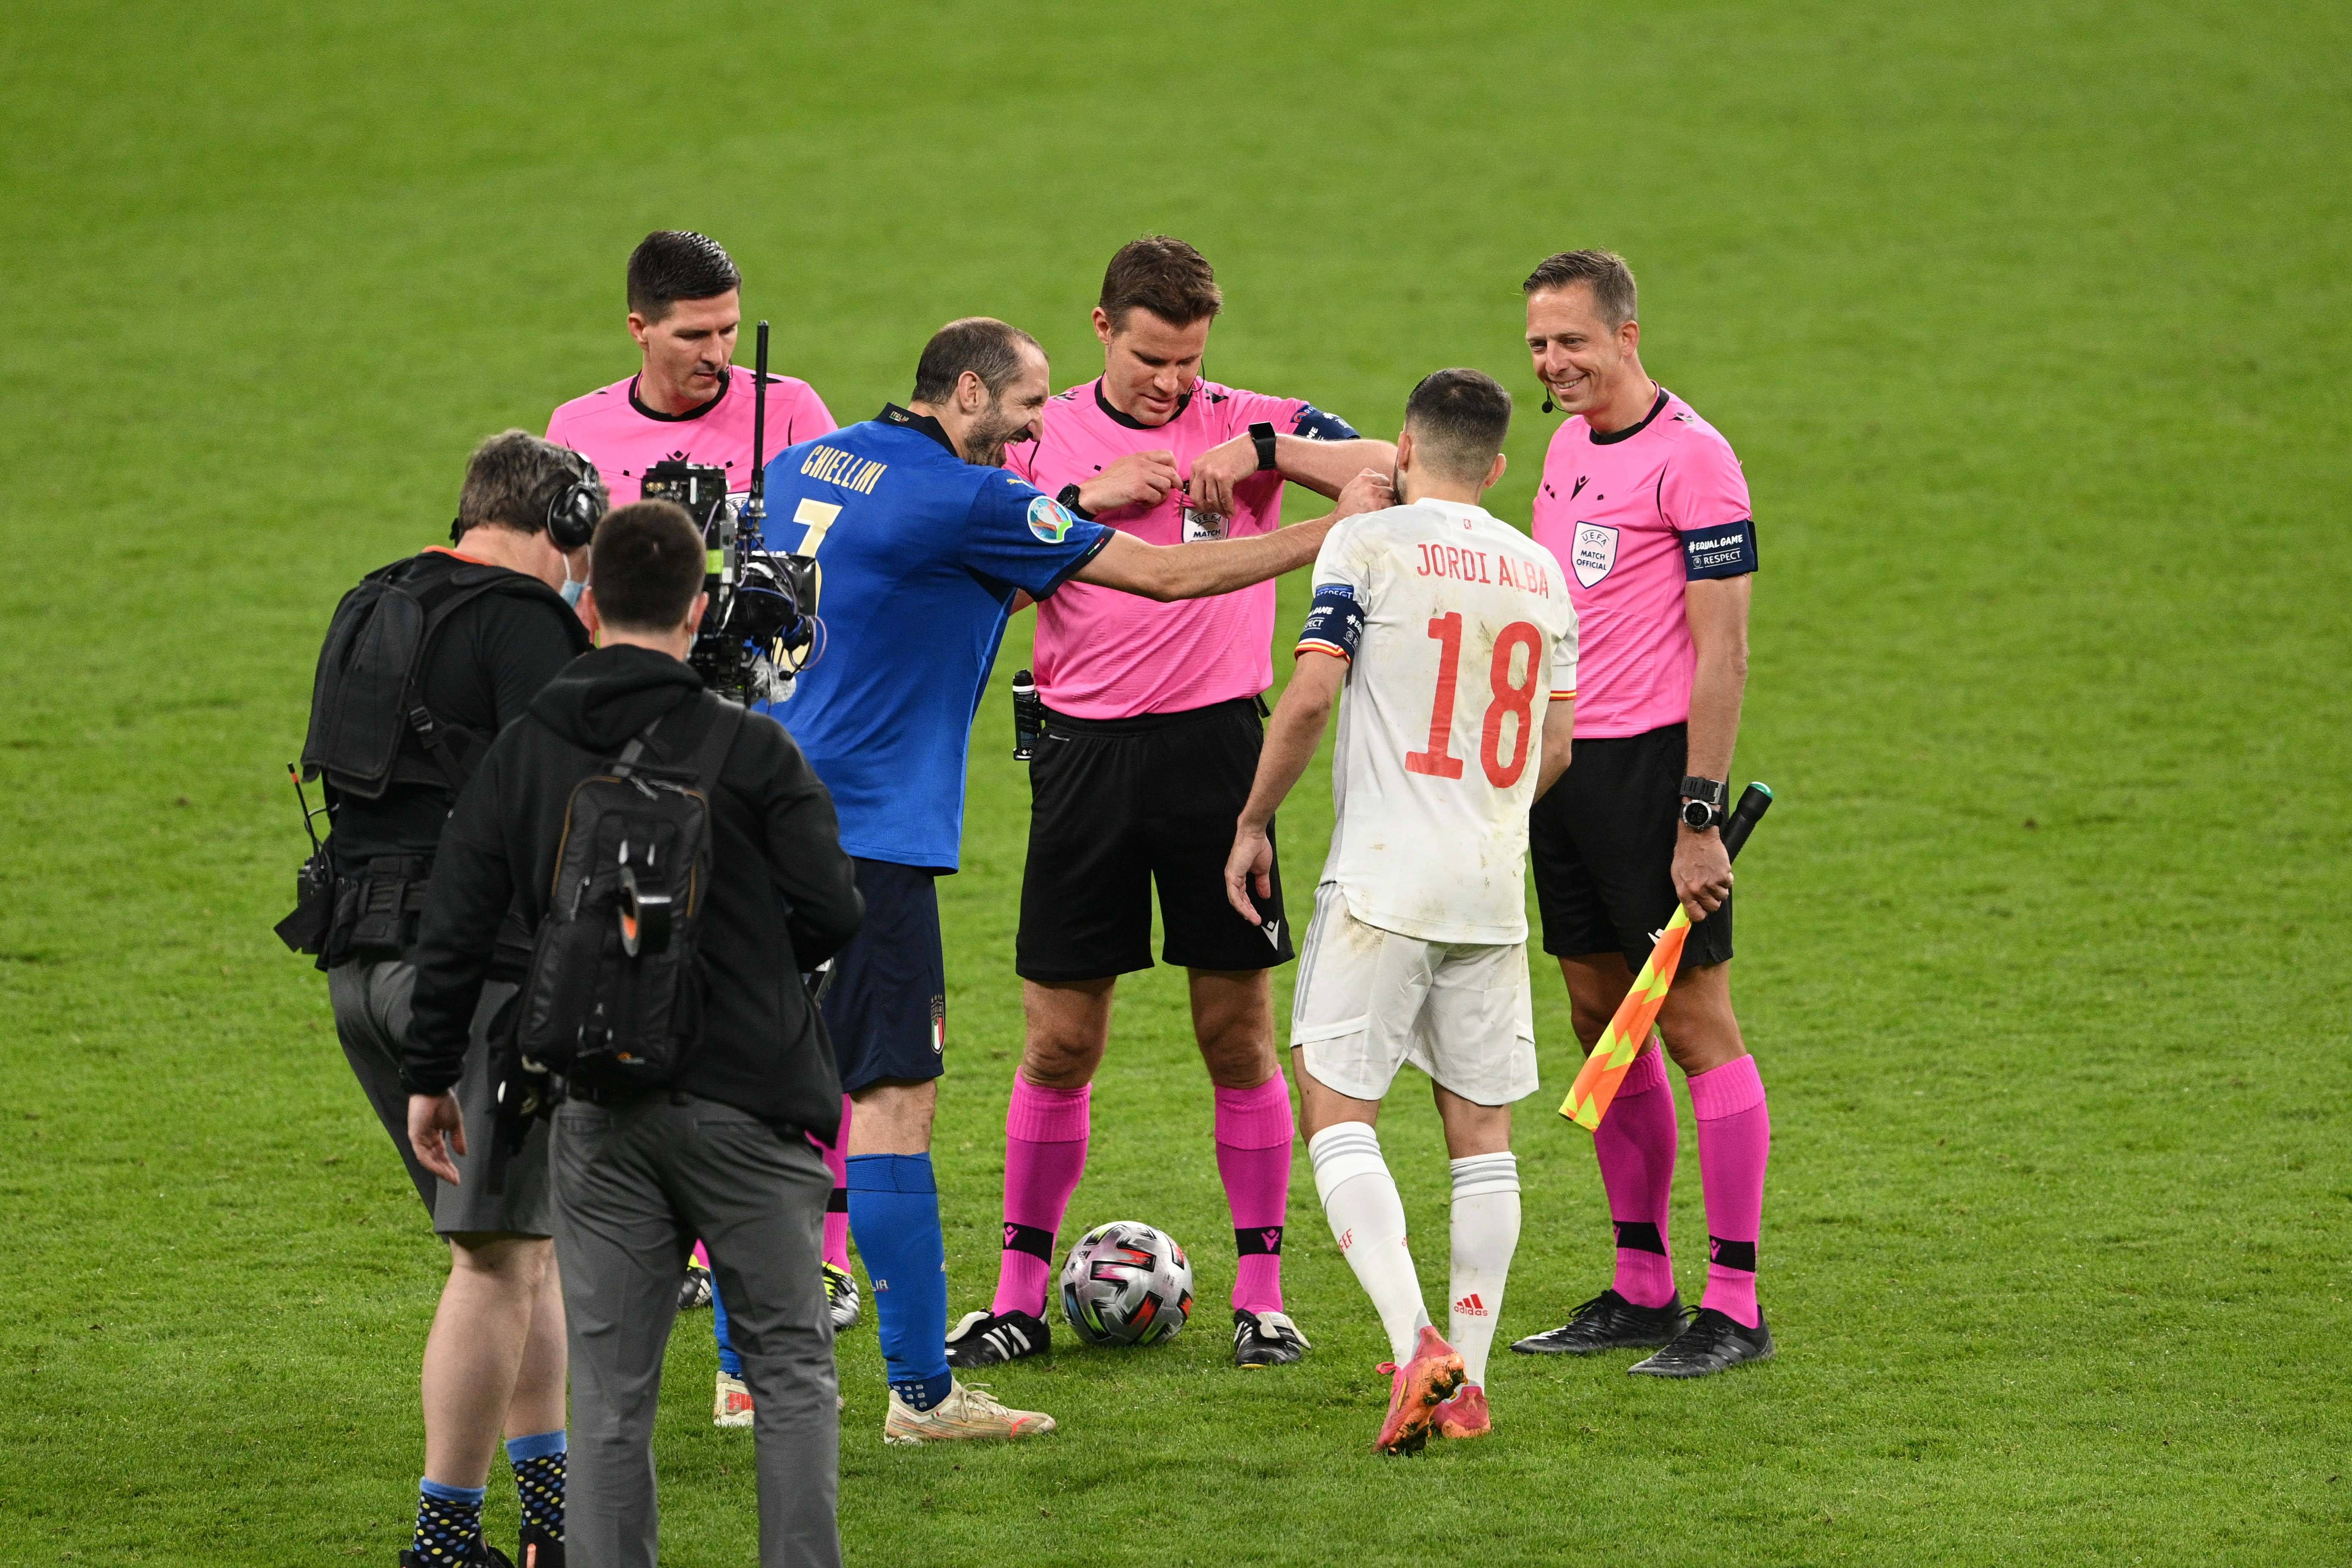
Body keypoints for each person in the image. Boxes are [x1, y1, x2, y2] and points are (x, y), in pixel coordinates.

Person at [759, 315, 1385, 1443]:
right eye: (1027, 409)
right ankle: (922, 1398)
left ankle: (740, 1375)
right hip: (872, 837)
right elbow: (1159, 574)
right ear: (965, 393)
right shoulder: (978, 498)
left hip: (752, 811)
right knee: (894, 1101)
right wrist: (1324, 541)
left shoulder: (804, 462)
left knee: (754, 1095)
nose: (1040, 431)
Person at [954, 235, 1397, 1373]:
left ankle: (1263, 1296)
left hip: (1219, 759)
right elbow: (981, 580)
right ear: (1102, 329)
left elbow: (1392, 474)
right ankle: (1016, 1296)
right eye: (1152, 359)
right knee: (1059, 1041)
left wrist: (1258, 444)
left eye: (1191, 362)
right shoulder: (1040, 432)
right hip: (1081, 758)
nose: (1172, 384)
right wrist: (1072, 501)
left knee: (1237, 1032)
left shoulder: (1249, 415)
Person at [405, 499, 863, 1568]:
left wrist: (435, 1074)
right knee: (791, 1369)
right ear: (699, 608)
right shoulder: (753, 748)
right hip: (752, 1104)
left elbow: (458, 924)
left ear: (591, 601)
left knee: (612, 1393)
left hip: (599, 1106)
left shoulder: (524, 750)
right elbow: (836, 909)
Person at [1220, 369, 1576, 1453]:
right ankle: (1466, 1379)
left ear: (1403, 452)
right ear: (1498, 467)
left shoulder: (1368, 541)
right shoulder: (1539, 568)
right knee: (1483, 1139)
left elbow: (1316, 691)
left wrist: (1251, 820)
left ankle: (1415, 1338)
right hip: (1491, 881)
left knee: (1337, 1115)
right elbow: (1558, 745)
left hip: (1382, 877)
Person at [547, 228, 859, 1429]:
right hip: (626, 770)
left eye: (732, 332)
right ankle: (668, 1238)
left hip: (759, 751)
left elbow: (826, 579)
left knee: (782, 990)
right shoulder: (581, 427)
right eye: (693, 336)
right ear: (638, 328)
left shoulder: (796, 408)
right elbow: (568, 595)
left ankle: (794, 1264)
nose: (719, 356)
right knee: (634, 983)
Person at [301, 430, 596, 1568]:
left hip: (362, 971)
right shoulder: (523, 623)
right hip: (471, 978)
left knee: (526, 1244)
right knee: (493, 1257)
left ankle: (554, 1520)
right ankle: (446, 1538)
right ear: (560, 518)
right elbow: (569, 793)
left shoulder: (371, 600)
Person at [1503, 249, 1773, 1377]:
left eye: (1571, 340)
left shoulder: (1696, 462)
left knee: (1693, 1023)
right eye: (1537, 345)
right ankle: (1642, 1282)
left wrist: (1699, 815)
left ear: (1627, 333)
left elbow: (1727, 652)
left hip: (1656, 773)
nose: (1553, 363)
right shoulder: (1566, 448)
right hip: (1561, 772)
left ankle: (1736, 1300)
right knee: (1595, 1011)